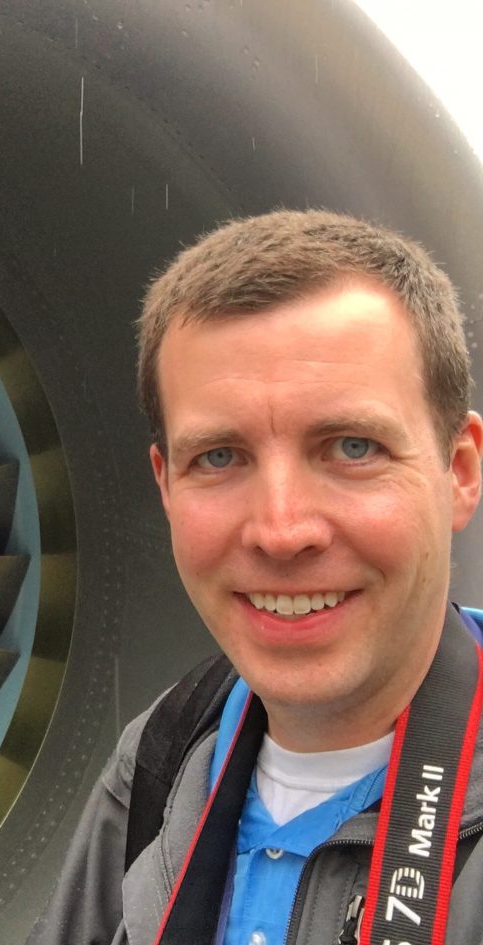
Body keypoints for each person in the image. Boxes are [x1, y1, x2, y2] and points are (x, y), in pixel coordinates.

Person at [27, 209, 483, 945]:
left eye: (352, 446)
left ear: (459, 471)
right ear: (166, 485)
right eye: (218, 457)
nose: (280, 529)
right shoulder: (158, 763)